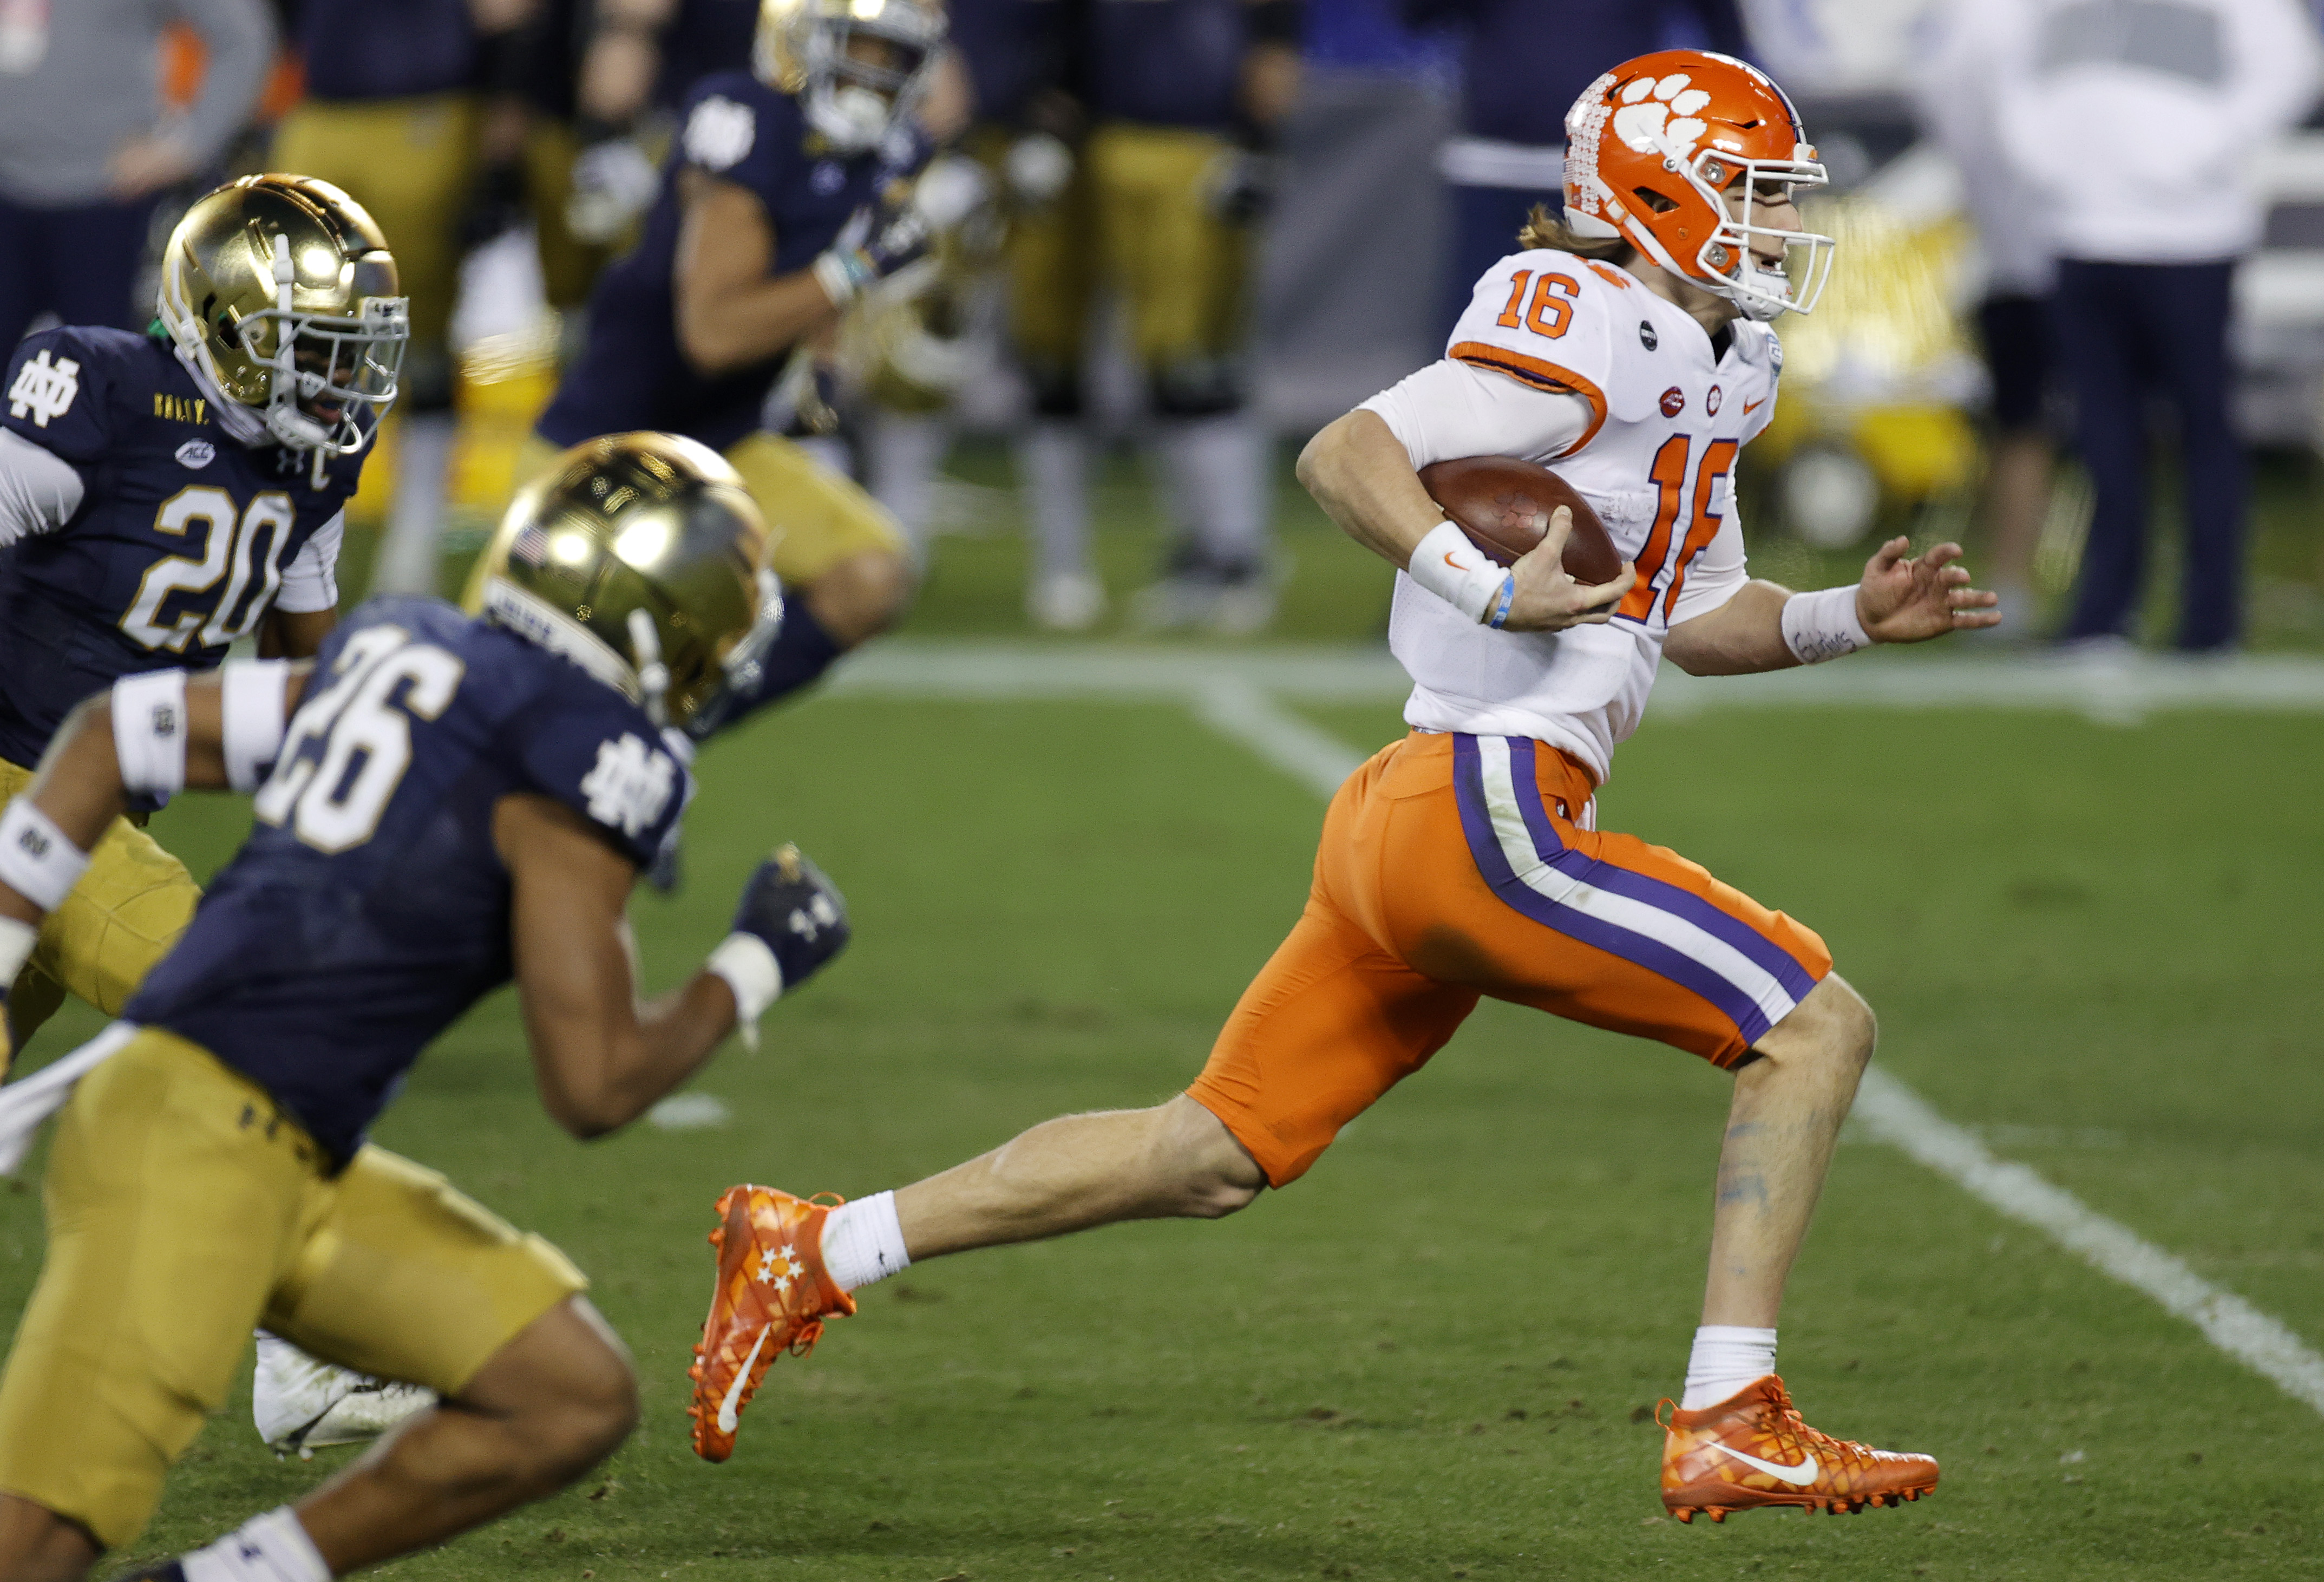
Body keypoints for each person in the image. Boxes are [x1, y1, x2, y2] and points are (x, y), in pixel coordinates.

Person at [686, 50, 1996, 1523]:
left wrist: (1841, 622)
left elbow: (1688, 618)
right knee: (1812, 1028)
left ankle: (818, 1243)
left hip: (1420, 821)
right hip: (1476, 811)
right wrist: (1485, 591)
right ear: (1648, 196)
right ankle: (1728, 1412)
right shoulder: (1577, 314)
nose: (1770, 226)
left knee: (1208, 1151)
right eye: (1745, 195)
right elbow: (1344, 451)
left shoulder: (1722, 361)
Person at [0, 432, 853, 1582]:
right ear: (651, 619)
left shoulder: (402, 638)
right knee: (25, 1553)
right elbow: (594, 1085)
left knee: (564, 1394)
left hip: (281, 1151)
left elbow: (109, 735)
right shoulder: (583, 751)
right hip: (197, 1147)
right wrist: (757, 962)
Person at [0, 172, 400, 1064]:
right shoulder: (111, 397)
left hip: (120, 809)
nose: (339, 379)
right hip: (24, 790)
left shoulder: (311, 472)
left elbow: (303, 684)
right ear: (225, 323)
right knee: (249, 1026)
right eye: (312, 348)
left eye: (350, 351)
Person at [529, 0, 949, 722]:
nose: (871, 77)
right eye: (860, 49)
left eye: (893, 60)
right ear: (804, 42)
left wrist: (825, 365)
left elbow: (817, 252)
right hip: (605, 444)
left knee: (871, 574)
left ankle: (671, 727)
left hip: (727, 443)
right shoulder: (744, 120)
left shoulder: (897, 152)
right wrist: (856, 270)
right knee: (509, 690)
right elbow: (714, 333)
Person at [1986, 0, 2320, 652]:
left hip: (2194, 236)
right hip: (2081, 231)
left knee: (2205, 430)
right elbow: (2007, 67)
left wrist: (2207, 146)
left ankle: (2211, 620)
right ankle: (2104, 613)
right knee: (2104, 433)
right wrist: (2046, 161)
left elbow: (2293, 65)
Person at [1030, 0, 1302, 634]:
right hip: (1113, 138)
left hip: (1199, 142)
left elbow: (1272, 40)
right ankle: (1202, 552)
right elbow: (1077, 40)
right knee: (1154, 360)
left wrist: (1260, 145)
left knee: (1196, 360)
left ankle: (1237, 554)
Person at [271, 0, 544, 598]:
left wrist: (504, 121)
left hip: (424, 104)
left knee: (411, 334)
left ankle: (415, 534)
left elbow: (510, 14)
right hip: (319, 102)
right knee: (293, 333)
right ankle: (297, 523)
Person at [0, 0, 276, 451]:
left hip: (106, 197)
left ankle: (108, 516)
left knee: (109, 385)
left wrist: (188, 146)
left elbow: (242, 38)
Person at [1401, 0, 1745, 357]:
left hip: (1606, 177)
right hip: (1492, 168)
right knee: (1471, 334)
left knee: (1614, 339)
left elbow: (1726, 38)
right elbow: (1415, 15)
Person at [1911, 0, 2058, 634]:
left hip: (2082, 249)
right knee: (2020, 426)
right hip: (2023, 254)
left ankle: (2105, 588)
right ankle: (2012, 585)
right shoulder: (1984, 20)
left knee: (2091, 428)